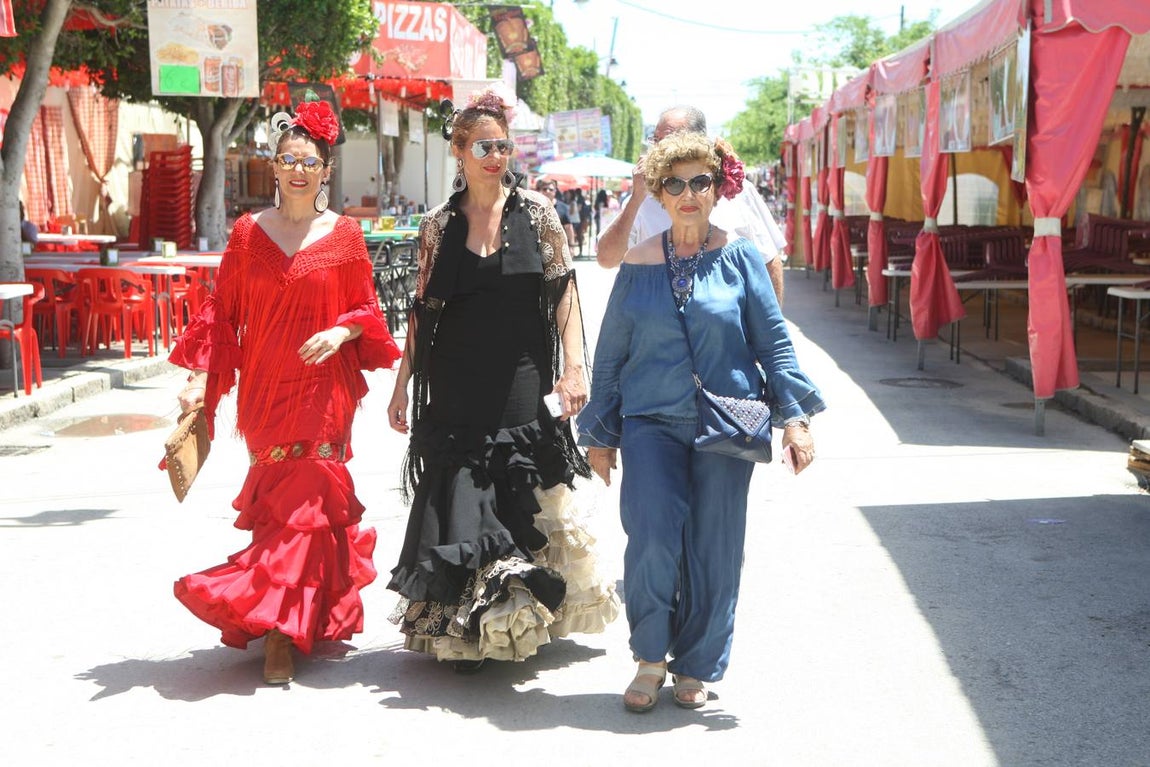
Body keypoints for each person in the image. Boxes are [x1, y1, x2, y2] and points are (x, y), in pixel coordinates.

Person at [577, 132, 825, 712]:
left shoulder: (740, 257)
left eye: (699, 182)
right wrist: (601, 435)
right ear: (659, 192)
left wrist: (796, 419)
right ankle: (650, 657)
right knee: (654, 538)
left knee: (715, 545)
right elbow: (610, 356)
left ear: (717, 189)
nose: (688, 194)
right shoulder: (637, 263)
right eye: (674, 183)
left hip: (725, 423)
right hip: (650, 422)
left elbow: (775, 344)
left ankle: (697, 662)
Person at [386, 84, 619, 672]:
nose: (496, 155)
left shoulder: (538, 214)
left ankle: (522, 611)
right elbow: (422, 310)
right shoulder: (439, 225)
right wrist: (400, 383)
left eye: (503, 145)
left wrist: (573, 368)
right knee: (462, 490)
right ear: (460, 152)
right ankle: (468, 622)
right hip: (455, 380)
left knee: (517, 487)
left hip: (520, 375)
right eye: (483, 145)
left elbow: (563, 292)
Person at [169, 99, 401, 685]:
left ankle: (278, 633)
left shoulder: (346, 235)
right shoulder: (247, 235)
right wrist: (201, 383)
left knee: (310, 499)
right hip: (267, 390)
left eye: (311, 160)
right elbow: (222, 314)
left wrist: (341, 329)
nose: (299, 169)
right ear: (274, 166)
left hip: (325, 389)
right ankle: (292, 617)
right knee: (282, 508)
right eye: (288, 158)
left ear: (326, 170)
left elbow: (367, 311)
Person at [596, 105, 788, 306]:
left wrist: (769, 328)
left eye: (668, 140)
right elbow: (606, 259)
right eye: (655, 140)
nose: (658, 149)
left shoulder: (738, 192)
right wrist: (636, 198)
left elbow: (768, 260)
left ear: (698, 144)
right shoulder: (644, 196)